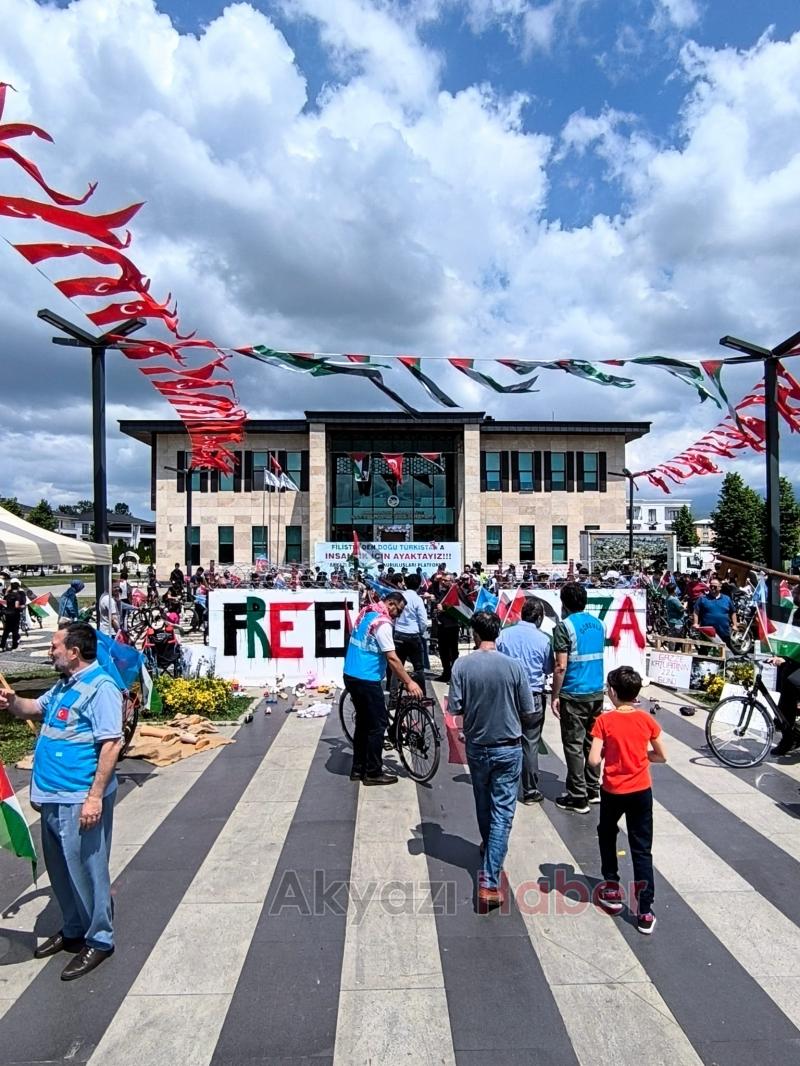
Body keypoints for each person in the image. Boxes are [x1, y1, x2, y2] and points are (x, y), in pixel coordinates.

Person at [0, 623, 122, 978]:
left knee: (87, 869)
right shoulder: (64, 685)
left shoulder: (101, 689)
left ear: (74, 651)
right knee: (61, 870)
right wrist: (12, 703)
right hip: (52, 796)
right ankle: (72, 930)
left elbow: (111, 744)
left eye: (55, 645)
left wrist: (95, 797)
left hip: (78, 797)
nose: (49, 650)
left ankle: (99, 939)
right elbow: (34, 709)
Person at [449, 610, 533, 909]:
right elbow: (528, 708)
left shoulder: (462, 665)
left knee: (483, 803)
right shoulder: (514, 667)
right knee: (503, 813)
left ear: (474, 634)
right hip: (508, 747)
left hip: (477, 745)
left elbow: (456, 706)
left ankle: (490, 850)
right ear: (497, 633)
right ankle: (489, 879)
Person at [588, 666, 667, 934]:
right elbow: (661, 756)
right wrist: (642, 757)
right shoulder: (647, 721)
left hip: (612, 791)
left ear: (611, 691)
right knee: (641, 848)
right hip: (641, 790)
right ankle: (645, 910)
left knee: (607, 834)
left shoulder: (604, 721)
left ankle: (611, 887)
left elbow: (593, 760)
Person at [343, 590, 423, 785]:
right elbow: (393, 659)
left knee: (363, 723)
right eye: (399, 610)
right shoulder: (383, 624)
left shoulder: (367, 613)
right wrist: (409, 682)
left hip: (351, 674)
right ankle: (373, 772)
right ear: (391, 604)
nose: (399, 614)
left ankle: (358, 768)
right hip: (366, 678)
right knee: (378, 725)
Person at [551, 581, 606, 813]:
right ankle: (593, 788)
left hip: (574, 693)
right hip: (596, 691)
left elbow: (561, 666)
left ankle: (577, 796)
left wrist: (555, 695)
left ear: (564, 603)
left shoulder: (564, 627)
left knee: (573, 745)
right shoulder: (599, 624)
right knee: (592, 742)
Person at [496, 597, 554, 804]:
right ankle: (530, 790)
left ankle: (504, 786)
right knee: (530, 743)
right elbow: (548, 668)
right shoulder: (544, 640)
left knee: (506, 740)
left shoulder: (504, 635)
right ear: (539, 617)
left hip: (507, 695)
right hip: (533, 696)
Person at [768, 582, 800, 756]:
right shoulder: (796, 612)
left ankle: (792, 735)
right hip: (793, 662)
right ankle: (789, 737)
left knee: (792, 687)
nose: (794, 595)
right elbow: (791, 637)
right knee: (786, 698)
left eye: (798, 592)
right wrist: (779, 652)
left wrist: (786, 657)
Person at [392, 573, 428, 693]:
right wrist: (421, 632)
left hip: (399, 633)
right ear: (418, 586)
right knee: (418, 668)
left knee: (397, 667)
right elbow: (423, 620)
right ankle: (421, 695)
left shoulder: (399, 596)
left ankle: (393, 697)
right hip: (413, 635)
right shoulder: (417, 599)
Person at [692, 577, 737, 644]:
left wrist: (735, 625)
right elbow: (696, 611)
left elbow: (733, 612)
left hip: (723, 632)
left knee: (722, 652)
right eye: (711, 586)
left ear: (720, 587)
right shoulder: (703, 598)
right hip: (707, 632)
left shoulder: (727, 599)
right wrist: (695, 623)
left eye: (715, 587)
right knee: (705, 652)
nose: (712, 588)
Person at [434, 573, 461, 682]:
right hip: (442, 626)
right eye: (442, 580)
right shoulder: (443, 593)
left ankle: (454, 675)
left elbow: (457, 610)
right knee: (443, 651)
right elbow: (435, 588)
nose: (443, 582)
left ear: (451, 581)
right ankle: (446, 673)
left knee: (452, 652)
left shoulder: (456, 593)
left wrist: (444, 609)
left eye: (445, 580)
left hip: (451, 626)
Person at [1, 578, 28, 651]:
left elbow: (5, 600)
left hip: (8, 614)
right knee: (15, 630)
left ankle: (2, 645)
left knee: (6, 630)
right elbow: (18, 605)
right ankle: (15, 646)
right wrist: (22, 606)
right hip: (15, 614)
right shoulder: (19, 594)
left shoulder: (8, 594)